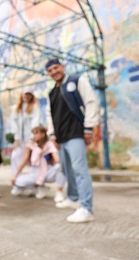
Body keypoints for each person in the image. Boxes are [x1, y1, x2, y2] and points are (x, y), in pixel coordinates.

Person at [45, 58, 99, 223]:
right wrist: (52, 135)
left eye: (56, 68)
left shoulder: (77, 81)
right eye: (50, 70)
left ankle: (86, 208)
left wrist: (89, 127)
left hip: (76, 133)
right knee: (67, 169)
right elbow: (50, 115)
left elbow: (91, 102)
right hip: (61, 138)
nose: (54, 72)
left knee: (79, 170)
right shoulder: (52, 92)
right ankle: (74, 198)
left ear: (62, 67)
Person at [10, 125, 66, 202]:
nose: (34, 135)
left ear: (42, 134)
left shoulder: (49, 144)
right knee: (18, 182)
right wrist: (15, 176)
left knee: (61, 166)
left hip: (47, 170)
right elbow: (24, 160)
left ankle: (59, 191)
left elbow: (57, 159)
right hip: (35, 171)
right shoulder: (30, 145)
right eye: (33, 133)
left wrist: (57, 149)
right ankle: (39, 187)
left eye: (36, 133)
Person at [9, 88, 41, 185]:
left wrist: (32, 138)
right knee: (15, 157)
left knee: (33, 160)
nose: (26, 96)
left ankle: (37, 183)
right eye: (25, 94)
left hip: (30, 140)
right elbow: (13, 123)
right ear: (22, 95)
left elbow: (35, 123)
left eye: (29, 94)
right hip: (20, 140)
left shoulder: (34, 107)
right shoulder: (16, 108)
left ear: (31, 96)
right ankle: (16, 180)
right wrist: (16, 138)